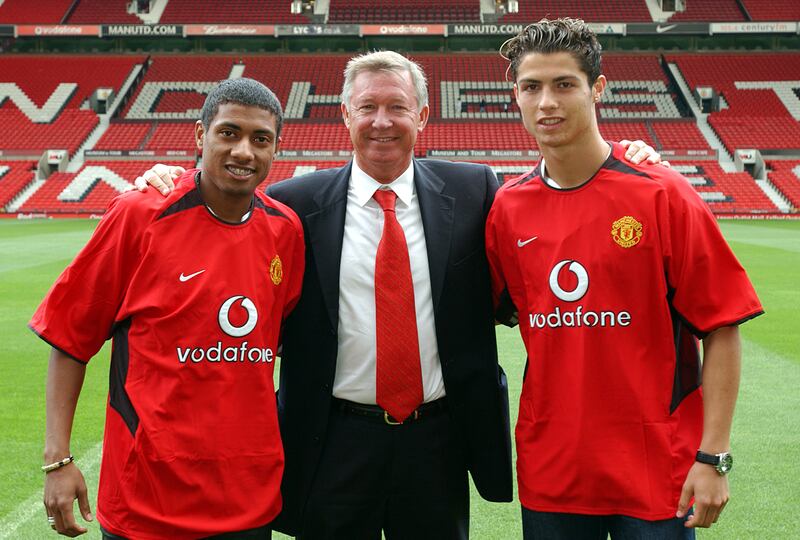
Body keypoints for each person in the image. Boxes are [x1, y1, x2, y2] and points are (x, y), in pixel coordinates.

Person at [134, 51, 664, 539]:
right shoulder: (293, 205)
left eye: (397, 107)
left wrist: (631, 154)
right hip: (331, 441)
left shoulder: (475, 190)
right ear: (345, 116)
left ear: (423, 116)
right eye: (367, 107)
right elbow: (223, 200)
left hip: (436, 441)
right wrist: (173, 175)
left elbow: (546, 221)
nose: (381, 121)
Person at [485, 18, 764, 539]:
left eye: (564, 84)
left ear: (597, 89)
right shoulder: (507, 208)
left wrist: (715, 455)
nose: (547, 102)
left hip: (657, 468)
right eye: (531, 87)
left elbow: (722, 326)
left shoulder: (663, 194)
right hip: (554, 469)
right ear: (516, 96)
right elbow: (501, 310)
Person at [31, 78, 305, 539]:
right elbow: (69, 338)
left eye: (261, 139)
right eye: (228, 133)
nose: (244, 151)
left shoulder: (286, 231)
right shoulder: (139, 214)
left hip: (249, 500)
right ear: (200, 136)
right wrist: (57, 460)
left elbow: (276, 344)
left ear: (277, 148)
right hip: (146, 502)